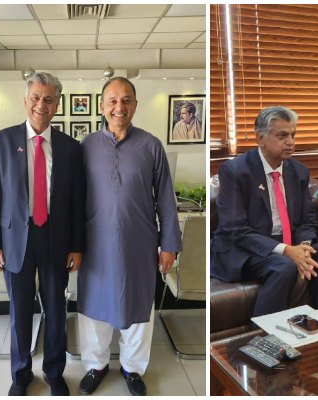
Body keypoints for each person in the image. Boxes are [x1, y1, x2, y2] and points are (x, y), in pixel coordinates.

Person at [76, 77, 182, 396]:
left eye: (126, 100)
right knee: (93, 307)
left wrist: (170, 244)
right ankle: (95, 365)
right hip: (94, 242)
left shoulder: (151, 145)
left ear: (135, 104)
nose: (119, 107)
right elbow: (73, 199)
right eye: (112, 101)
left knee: (139, 308)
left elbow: (166, 198)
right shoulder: (86, 147)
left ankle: (132, 368)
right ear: (101, 106)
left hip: (139, 243)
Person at [0, 72, 86, 396]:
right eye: (36, 98)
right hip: (15, 240)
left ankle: (54, 372)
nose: (41, 105)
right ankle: (20, 374)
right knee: (20, 312)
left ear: (57, 104)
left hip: (56, 238)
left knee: (56, 311)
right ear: (26, 100)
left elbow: (77, 201)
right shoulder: (3, 140)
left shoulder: (71, 147)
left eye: (49, 99)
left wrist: (77, 246)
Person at [211, 106, 318, 320]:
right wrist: (286, 251)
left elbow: (307, 218)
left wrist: (304, 247)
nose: (290, 141)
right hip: (245, 248)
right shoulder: (235, 171)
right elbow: (234, 229)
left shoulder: (298, 170)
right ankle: (262, 342)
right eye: (282, 135)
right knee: (284, 266)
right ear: (260, 138)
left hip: (288, 242)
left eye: (293, 135)